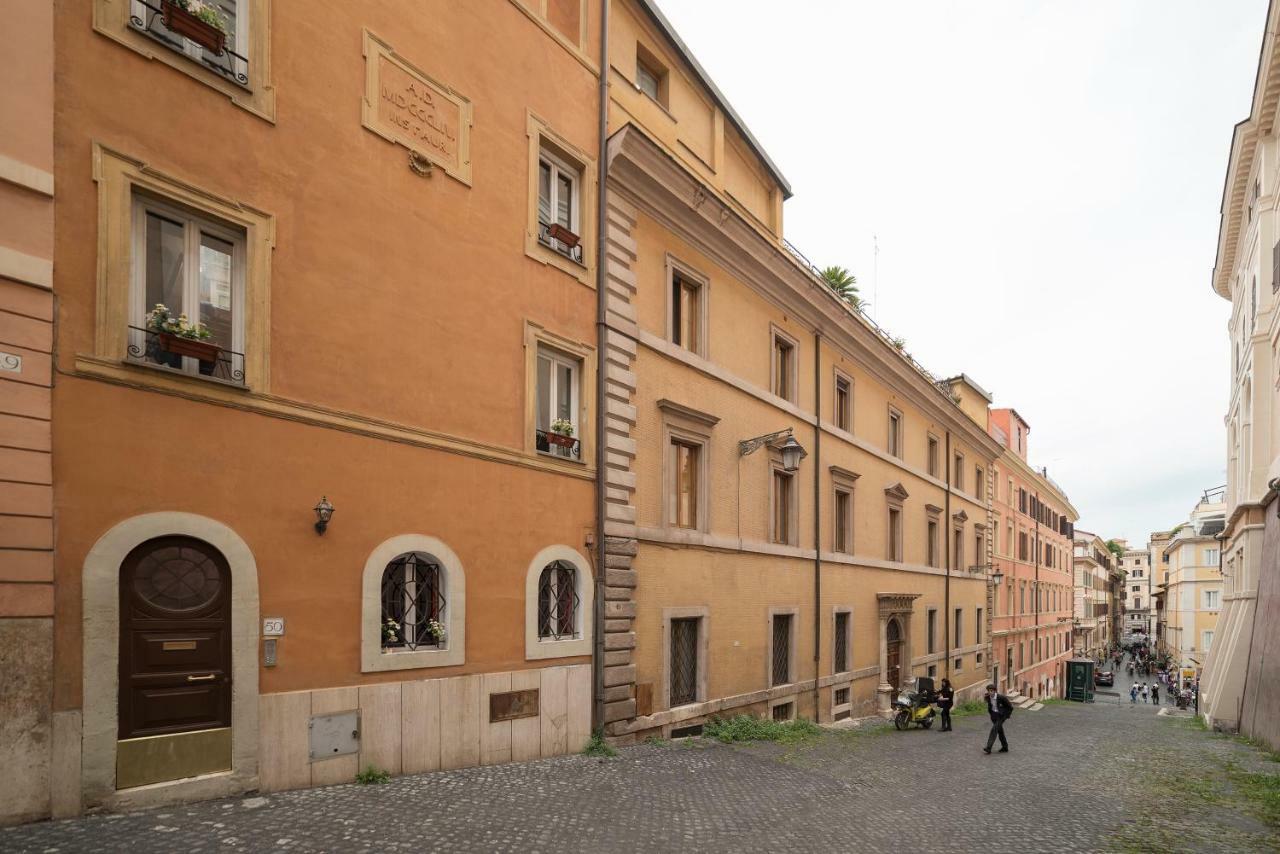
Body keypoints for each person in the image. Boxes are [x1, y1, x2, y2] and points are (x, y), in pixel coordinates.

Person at [982, 683, 1012, 754]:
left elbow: (1010, 707)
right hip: (994, 716)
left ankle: (988, 747)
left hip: (1001, 716)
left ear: (995, 691)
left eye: (991, 691)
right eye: (989, 691)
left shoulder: (1001, 697)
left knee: (994, 730)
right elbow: (990, 706)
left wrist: (1006, 715)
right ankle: (1005, 747)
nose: (990, 692)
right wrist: (991, 714)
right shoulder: (988, 697)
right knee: (1000, 732)